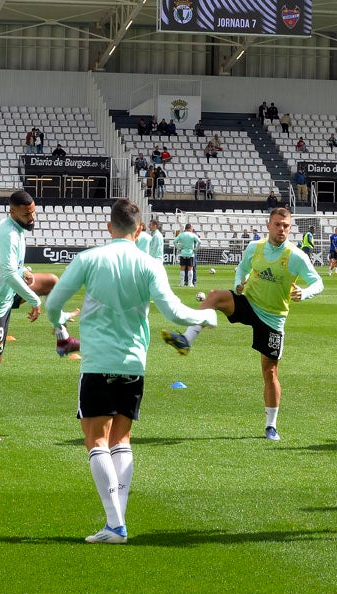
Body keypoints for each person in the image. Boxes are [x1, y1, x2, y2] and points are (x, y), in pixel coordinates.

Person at [45, 200, 216, 543]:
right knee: (121, 440)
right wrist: (204, 316)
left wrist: (60, 328)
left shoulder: (89, 259)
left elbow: (53, 304)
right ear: (139, 230)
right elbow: (174, 311)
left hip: (97, 362)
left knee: (95, 440)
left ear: (110, 227)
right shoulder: (149, 263)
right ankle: (116, 523)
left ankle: (115, 524)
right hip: (134, 363)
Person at [163, 207, 324, 441]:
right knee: (216, 296)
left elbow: (317, 282)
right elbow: (242, 269)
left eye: (286, 226)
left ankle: (271, 425)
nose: (281, 229)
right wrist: (239, 283)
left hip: (273, 317)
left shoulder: (296, 256)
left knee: (270, 372)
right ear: (268, 225)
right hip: (249, 303)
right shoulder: (254, 248)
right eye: (277, 224)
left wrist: (305, 292)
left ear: (290, 228)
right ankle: (186, 339)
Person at [0, 191, 79, 441]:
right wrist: (33, 299)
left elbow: (11, 269)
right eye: (26, 214)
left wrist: (26, 271)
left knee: (51, 281)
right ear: (13, 212)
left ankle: (62, 338)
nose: (32, 217)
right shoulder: (8, 233)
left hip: (6, 295)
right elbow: (8, 274)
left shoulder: (16, 230)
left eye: (33, 212)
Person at [174, 222, 200, 287]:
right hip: (190, 253)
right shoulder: (193, 235)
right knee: (190, 268)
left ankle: (182, 283)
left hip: (183, 253)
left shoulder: (181, 234)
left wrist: (179, 248)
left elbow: (174, 241)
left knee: (182, 268)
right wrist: (196, 249)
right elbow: (199, 241)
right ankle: (190, 283)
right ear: (190, 228)